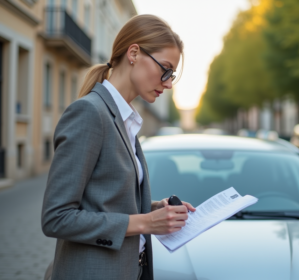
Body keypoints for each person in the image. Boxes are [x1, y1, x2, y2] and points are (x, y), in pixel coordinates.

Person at [41, 14, 195, 280]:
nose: (169, 83)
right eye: (166, 70)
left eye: (173, 75)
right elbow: (57, 217)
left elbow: (106, 199)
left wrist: (155, 209)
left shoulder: (126, 120)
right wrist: (144, 223)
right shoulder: (89, 113)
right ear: (133, 53)